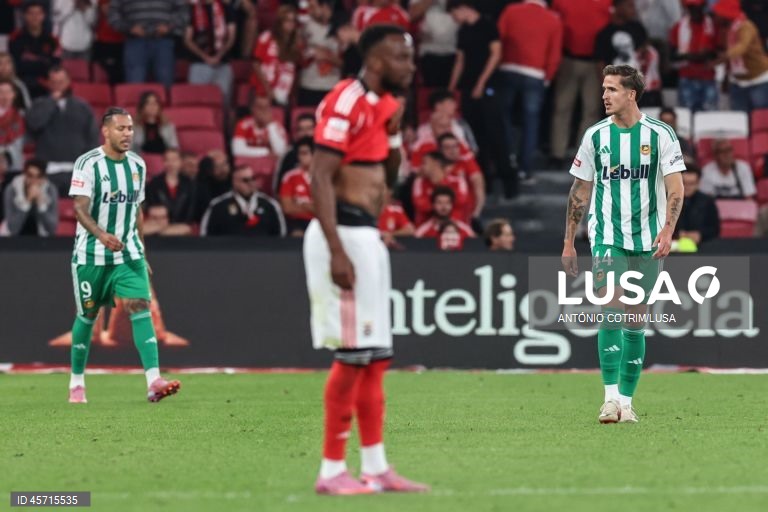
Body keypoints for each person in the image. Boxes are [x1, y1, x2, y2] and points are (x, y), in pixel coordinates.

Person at [304, 24, 429, 495]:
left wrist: (394, 135)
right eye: (401, 58)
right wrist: (337, 250)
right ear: (376, 62)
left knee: (376, 360)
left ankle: (375, 467)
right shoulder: (345, 99)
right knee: (353, 357)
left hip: (368, 234)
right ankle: (332, 469)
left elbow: (388, 179)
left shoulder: (382, 106)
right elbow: (319, 177)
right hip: (344, 238)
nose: (410, 67)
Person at [562, 64, 686, 424]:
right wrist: (569, 241)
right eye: (603, 89)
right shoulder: (595, 136)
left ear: (631, 94)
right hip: (606, 236)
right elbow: (579, 191)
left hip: (648, 240)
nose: (604, 95)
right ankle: (609, 398)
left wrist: (667, 230)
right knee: (611, 306)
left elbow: (675, 187)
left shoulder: (661, 135)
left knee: (635, 320)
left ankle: (627, 402)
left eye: (612, 89)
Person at [67, 106, 181, 404]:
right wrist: (102, 235)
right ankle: (77, 382)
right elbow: (79, 208)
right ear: (106, 131)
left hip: (128, 254)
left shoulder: (138, 165)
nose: (127, 134)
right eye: (121, 129)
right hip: (91, 255)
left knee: (139, 305)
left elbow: (137, 211)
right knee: (88, 316)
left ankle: (153, 380)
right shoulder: (88, 163)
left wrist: (141, 251)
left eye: (130, 128)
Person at [447, 0, 515, 197]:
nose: (454, 19)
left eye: (454, 14)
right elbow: (460, 60)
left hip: (489, 86)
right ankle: (486, 180)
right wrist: (451, 88)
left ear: (462, 8)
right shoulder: (463, 31)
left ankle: (508, 180)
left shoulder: (488, 26)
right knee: (476, 136)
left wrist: (481, 83)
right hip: (468, 87)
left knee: (496, 134)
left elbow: (495, 55)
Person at [497, 0, 562, 183]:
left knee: (504, 118)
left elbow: (499, 38)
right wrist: (547, 78)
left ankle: (508, 160)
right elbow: (554, 54)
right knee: (530, 123)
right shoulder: (552, 19)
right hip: (535, 74)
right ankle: (525, 169)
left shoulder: (510, 10)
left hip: (508, 69)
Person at [549, 0, 611, 169]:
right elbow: (553, 24)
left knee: (590, 110)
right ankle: (557, 153)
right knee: (562, 107)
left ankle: (583, 155)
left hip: (595, 61)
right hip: (568, 58)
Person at [26, 66, 99, 194]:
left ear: (69, 82)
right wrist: (51, 103)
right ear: (48, 83)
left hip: (76, 170)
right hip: (47, 169)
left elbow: (92, 139)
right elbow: (35, 125)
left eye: (61, 82)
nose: (58, 86)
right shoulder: (38, 105)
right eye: (54, 82)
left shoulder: (83, 107)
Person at [108, 0, 188, 88]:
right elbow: (112, 14)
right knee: (135, 84)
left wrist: (170, 26)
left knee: (166, 84)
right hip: (135, 43)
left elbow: (184, 11)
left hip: (164, 42)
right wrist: (129, 28)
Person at [712, 0, 768, 113]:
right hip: (737, 82)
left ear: (726, 14)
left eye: (717, 13)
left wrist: (723, 57)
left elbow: (742, 47)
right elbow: (730, 58)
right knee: (740, 118)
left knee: (760, 118)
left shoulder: (746, 26)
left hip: (758, 80)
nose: (715, 16)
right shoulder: (726, 29)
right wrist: (725, 77)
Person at [200, 163, 286, 236]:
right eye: (245, 180)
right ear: (234, 182)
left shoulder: (270, 205)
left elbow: (281, 234)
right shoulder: (218, 205)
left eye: (253, 179)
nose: (250, 183)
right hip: (228, 252)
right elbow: (205, 234)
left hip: (263, 253)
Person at [184, 0, 237, 104]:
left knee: (223, 102)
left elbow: (231, 37)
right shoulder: (193, 9)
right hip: (199, 63)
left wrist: (219, 56)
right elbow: (187, 39)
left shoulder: (226, 8)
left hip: (222, 63)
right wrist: (205, 57)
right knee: (195, 101)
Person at [669, 0, 718, 112]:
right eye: (691, 7)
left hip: (708, 78)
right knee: (687, 115)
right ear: (687, 8)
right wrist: (694, 56)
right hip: (687, 78)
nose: (695, 10)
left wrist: (704, 55)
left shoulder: (713, 26)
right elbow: (672, 56)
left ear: (704, 6)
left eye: (697, 6)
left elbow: (718, 52)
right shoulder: (678, 27)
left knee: (709, 117)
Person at [250, 5, 302, 107]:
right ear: (280, 22)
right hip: (263, 92)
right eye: (287, 20)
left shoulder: (296, 44)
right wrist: (268, 89)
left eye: (293, 21)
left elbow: (297, 69)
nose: (290, 24)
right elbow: (256, 64)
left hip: (284, 93)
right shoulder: (267, 37)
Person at [9, 1, 61, 99]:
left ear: (44, 16)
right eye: (31, 13)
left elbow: (55, 66)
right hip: (22, 84)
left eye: (38, 13)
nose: (35, 17)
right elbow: (16, 66)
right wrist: (42, 64)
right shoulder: (15, 38)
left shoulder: (52, 40)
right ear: (25, 15)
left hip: (46, 85)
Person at [298, 0, 341, 107]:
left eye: (328, 7)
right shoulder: (305, 26)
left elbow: (348, 64)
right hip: (308, 85)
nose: (311, 10)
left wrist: (327, 56)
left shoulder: (341, 30)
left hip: (332, 86)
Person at [2, 158, 58, 236]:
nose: (33, 180)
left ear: (44, 178)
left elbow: (52, 228)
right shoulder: (12, 189)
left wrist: (41, 205)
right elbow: (13, 228)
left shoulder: (50, 190)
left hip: (42, 241)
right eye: (30, 175)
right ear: (24, 174)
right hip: (14, 239)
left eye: (38, 176)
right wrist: (27, 201)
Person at [412, 150, 469, 225]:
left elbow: (461, 201)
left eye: (424, 163)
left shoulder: (457, 181)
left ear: (436, 163)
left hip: (455, 229)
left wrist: (435, 201)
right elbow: (422, 205)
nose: (421, 167)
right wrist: (446, 202)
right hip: (426, 231)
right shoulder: (419, 182)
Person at [145, 148, 197, 225]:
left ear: (181, 162)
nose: (170, 163)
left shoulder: (190, 184)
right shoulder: (154, 183)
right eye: (167, 160)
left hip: (182, 225)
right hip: (159, 224)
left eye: (174, 160)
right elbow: (150, 206)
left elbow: (191, 210)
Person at [279, 136, 314, 236]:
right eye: (299, 153)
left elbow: (327, 208)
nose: (300, 157)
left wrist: (303, 205)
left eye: (305, 153)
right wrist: (312, 207)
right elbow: (287, 208)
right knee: (296, 233)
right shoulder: (290, 177)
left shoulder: (324, 177)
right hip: (297, 222)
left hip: (319, 222)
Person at [677, 164, 720, 245]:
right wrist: (677, 234)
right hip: (673, 247)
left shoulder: (708, 202)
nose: (687, 187)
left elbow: (715, 229)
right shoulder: (668, 201)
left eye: (691, 183)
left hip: (703, 247)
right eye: (684, 183)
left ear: (698, 183)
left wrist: (700, 235)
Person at [0, 79, 25, 172]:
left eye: (8, 92)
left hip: (16, 164)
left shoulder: (22, 115)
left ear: (14, 94)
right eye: (1, 92)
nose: (4, 96)